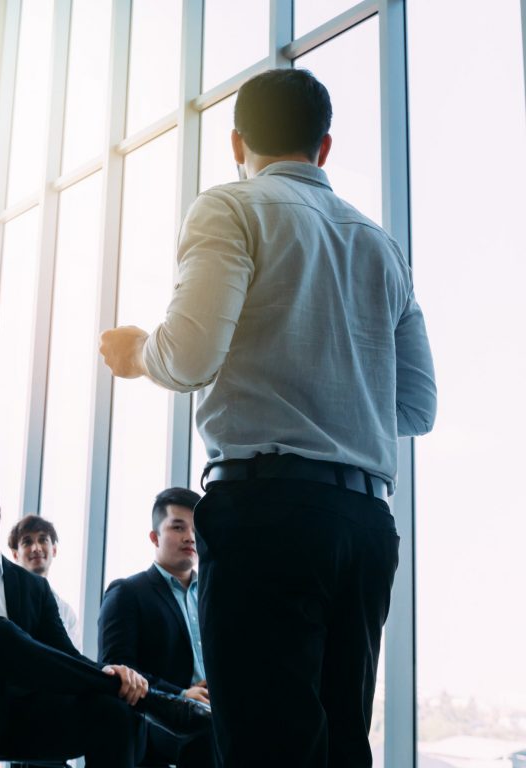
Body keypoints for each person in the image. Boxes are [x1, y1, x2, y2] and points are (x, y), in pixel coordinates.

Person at [99, 68, 436, 767]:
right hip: (367, 526)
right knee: (340, 742)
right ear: (326, 146)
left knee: (262, 745)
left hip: (267, 514)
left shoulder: (231, 208)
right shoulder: (381, 246)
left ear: (235, 142)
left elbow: (189, 356)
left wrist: (136, 354)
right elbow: (417, 407)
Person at [0, 464, 203, 768]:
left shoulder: (33, 587)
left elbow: (63, 658)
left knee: (114, 707)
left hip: (28, 716)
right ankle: (151, 701)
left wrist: (108, 674)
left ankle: (127, 693)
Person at [98, 487, 212, 767]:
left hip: (216, 715)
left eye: (196, 530)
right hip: (160, 721)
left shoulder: (213, 596)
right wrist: (181, 694)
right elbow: (117, 668)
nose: (190, 537)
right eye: (178, 527)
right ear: (154, 536)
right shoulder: (127, 592)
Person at [7, 515, 81, 651]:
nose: (36, 548)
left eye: (43, 540)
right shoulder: (3, 596)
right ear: (15, 555)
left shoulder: (66, 612)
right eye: (27, 542)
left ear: (54, 550)